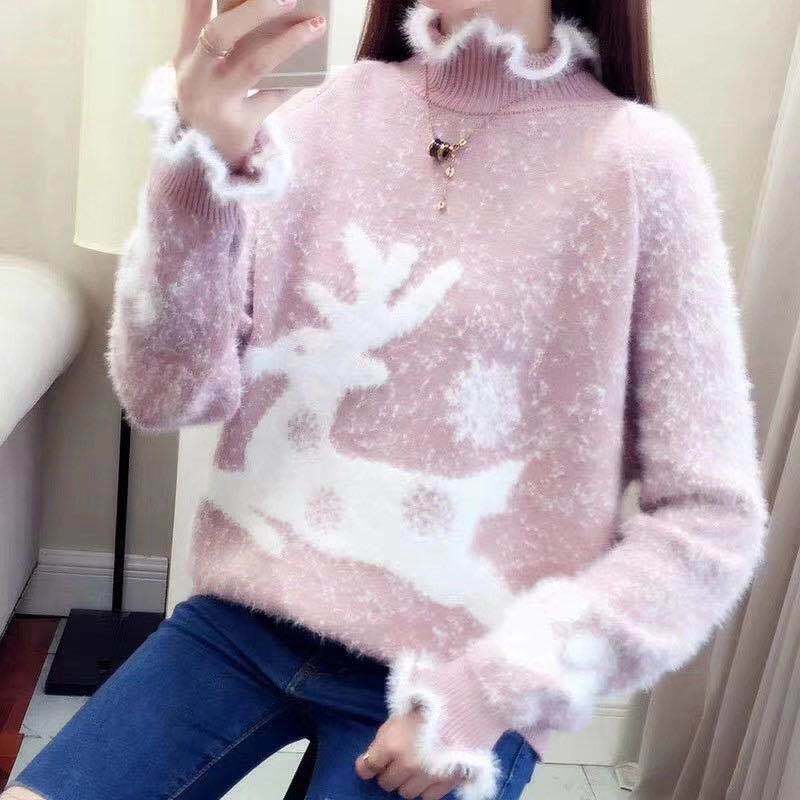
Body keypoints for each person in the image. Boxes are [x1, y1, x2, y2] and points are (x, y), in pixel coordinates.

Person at [4, 1, 770, 799]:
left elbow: (711, 520)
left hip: (457, 678)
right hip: (242, 623)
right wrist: (196, 168)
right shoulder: (318, 121)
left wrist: (488, 695)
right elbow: (166, 396)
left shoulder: (639, 165)